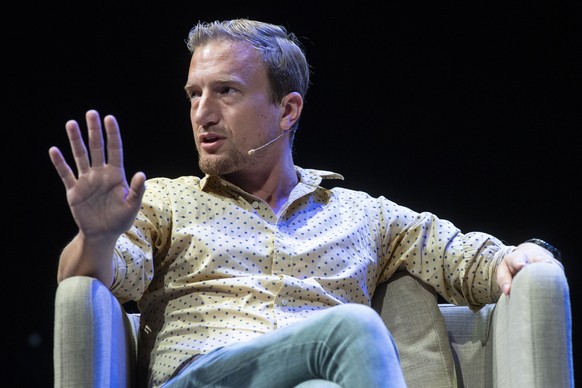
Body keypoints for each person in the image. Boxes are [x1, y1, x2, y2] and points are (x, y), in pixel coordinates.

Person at [48, 18, 564, 388]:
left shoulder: (362, 215)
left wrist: (524, 253)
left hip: (320, 377)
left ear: (287, 109)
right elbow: (98, 277)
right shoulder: (166, 200)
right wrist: (95, 237)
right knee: (354, 327)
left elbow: (461, 255)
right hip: (205, 372)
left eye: (225, 91)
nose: (202, 113)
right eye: (193, 94)